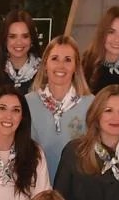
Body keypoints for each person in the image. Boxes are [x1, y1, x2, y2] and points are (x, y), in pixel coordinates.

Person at [26, 35, 89, 180]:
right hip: (37, 188)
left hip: (77, 190)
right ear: (45, 64)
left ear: (76, 67)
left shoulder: (90, 104)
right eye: (55, 59)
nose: (61, 66)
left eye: (68, 60)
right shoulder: (28, 103)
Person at [0, 9, 40, 93]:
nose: (19, 42)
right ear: (4, 39)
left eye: (25, 36)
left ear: (32, 39)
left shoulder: (45, 72)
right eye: (12, 36)